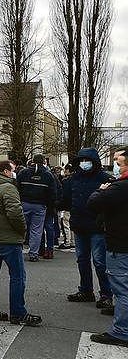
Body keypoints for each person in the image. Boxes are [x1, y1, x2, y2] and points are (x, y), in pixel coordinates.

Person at [0, 160, 42, 326]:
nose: (15, 173)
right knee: (17, 276)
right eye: (13, 170)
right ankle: (18, 313)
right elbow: (15, 213)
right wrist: (22, 230)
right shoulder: (8, 188)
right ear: (6, 171)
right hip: (8, 239)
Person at [62, 148, 114, 309]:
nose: (84, 163)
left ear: (94, 162)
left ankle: (106, 294)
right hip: (79, 225)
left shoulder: (105, 179)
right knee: (82, 260)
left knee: (100, 262)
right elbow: (66, 199)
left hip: (97, 227)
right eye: (82, 160)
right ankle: (86, 290)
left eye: (87, 160)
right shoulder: (73, 179)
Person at [87, 147, 128, 347]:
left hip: (120, 244)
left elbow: (94, 203)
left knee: (122, 289)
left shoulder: (120, 187)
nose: (115, 166)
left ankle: (121, 331)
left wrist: (101, 190)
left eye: (118, 163)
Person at [16, 154, 57, 262]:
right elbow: (52, 193)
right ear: (44, 162)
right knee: (36, 230)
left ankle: (17, 251)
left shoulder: (23, 172)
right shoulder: (48, 175)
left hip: (24, 203)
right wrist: (49, 206)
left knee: (21, 228)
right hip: (40, 205)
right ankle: (34, 253)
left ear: (33, 161)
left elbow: (17, 187)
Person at [57, 164, 75, 249]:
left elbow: (64, 195)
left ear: (68, 170)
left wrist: (61, 205)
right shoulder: (77, 180)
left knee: (66, 224)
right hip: (74, 205)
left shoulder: (66, 181)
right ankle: (73, 241)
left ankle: (67, 241)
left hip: (67, 206)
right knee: (72, 224)